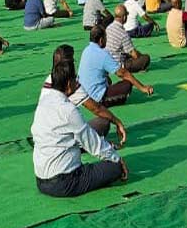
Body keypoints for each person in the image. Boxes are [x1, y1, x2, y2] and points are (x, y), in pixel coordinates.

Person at [32, 58, 127, 198]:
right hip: (64, 182)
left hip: (40, 180)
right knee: (114, 168)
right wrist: (116, 159)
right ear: (69, 84)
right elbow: (93, 143)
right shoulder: (68, 110)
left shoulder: (44, 100)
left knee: (100, 125)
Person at [42, 45, 127, 146]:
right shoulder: (71, 86)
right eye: (73, 61)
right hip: (63, 140)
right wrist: (117, 122)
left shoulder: (48, 81)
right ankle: (80, 144)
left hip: (45, 137)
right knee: (103, 123)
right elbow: (97, 109)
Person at [78, 25, 154, 107]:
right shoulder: (103, 54)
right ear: (101, 40)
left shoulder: (86, 50)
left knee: (108, 79)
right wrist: (142, 88)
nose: (107, 40)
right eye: (106, 37)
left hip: (84, 94)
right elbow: (124, 73)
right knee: (127, 84)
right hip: (96, 97)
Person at [106, 7, 151, 72]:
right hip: (119, 65)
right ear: (124, 17)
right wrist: (140, 56)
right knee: (146, 58)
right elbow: (134, 55)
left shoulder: (108, 28)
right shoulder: (123, 33)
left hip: (108, 61)